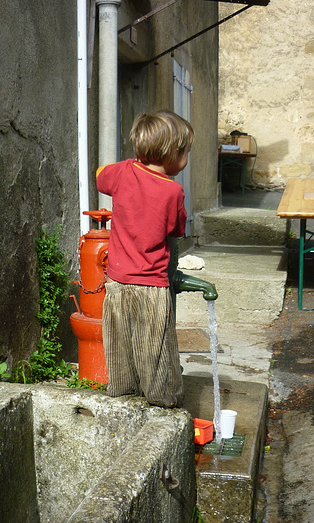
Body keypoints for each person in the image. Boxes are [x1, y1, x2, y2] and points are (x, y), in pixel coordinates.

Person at [96, 110, 193, 408]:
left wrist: (129, 165)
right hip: (151, 284)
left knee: (120, 343)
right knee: (155, 347)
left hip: (116, 282)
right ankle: (163, 403)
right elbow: (176, 228)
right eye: (185, 152)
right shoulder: (173, 191)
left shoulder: (123, 171)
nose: (186, 158)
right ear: (171, 155)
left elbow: (101, 176)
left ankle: (123, 396)